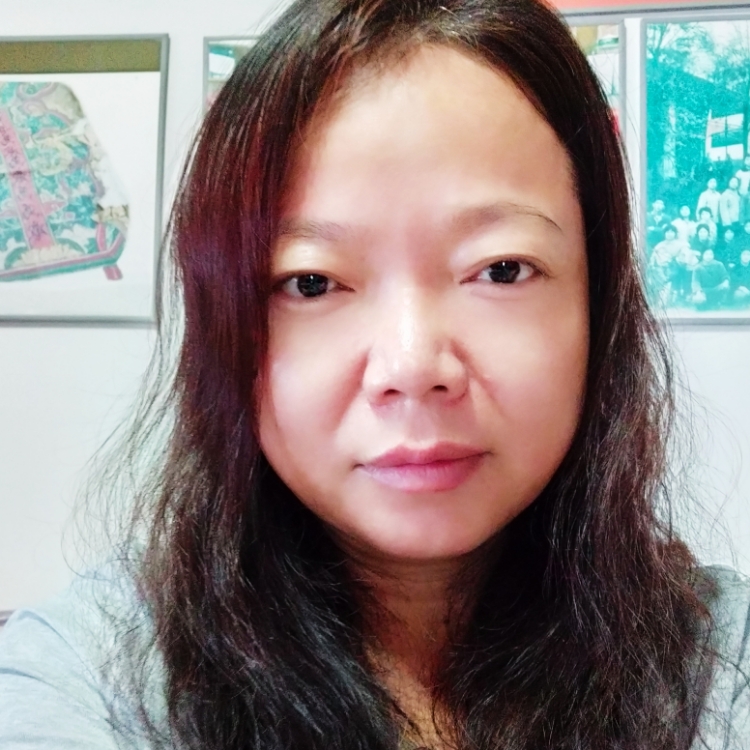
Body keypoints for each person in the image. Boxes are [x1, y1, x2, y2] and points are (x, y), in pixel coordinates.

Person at [1, 0, 748, 749]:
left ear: (598, 302)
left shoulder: (722, 668)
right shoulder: (91, 679)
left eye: (502, 269)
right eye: (311, 283)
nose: (413, 368)